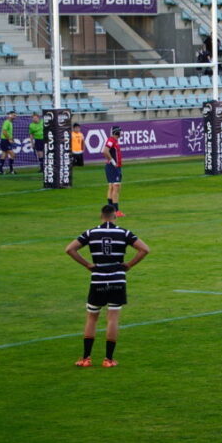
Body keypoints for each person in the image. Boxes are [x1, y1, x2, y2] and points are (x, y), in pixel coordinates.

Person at [66, 205, 150, 368]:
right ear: (115, 216)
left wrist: (87, 265)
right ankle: (108, 359)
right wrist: (129, 265)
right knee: (112, 318)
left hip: (97, 279)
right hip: (118, 279)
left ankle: (86, 358)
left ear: (101, 216)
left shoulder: (91, 233)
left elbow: (70, 249)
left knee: (92, 317)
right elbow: (145, 249)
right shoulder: (124, 232)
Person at [103, 125, 125, 217]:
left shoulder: (114, 141)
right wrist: (113, 161)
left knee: (112, 187)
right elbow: (105, 151)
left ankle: (110, 210)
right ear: (116, 132)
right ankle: (116, 211)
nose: (121, 133)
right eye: (120, 131)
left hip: (113, 167)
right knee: (115, 188)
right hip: (113, 168)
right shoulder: (111, 140)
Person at [0, 110, 16, 174]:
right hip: (5, 140)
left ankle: (1, 170)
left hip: (5, 140)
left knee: (4, 154)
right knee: (12, 154)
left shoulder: (10, 122)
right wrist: (9, 139)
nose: (15, 116)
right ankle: (11, 170)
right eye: (14, 115)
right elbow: (4, 132)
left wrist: (12, 138)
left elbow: (8, 132)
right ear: (10, 115)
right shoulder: (7, 122)